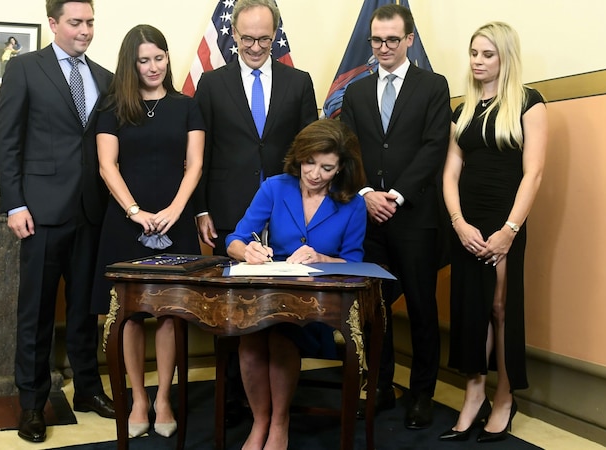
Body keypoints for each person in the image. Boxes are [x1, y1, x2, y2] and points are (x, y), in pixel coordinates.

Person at [192, 0, 318, 427]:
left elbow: (309, 151)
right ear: (233, 35)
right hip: (229, 210)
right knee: (232, 312)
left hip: (286, 214)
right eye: (247, 38)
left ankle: (278, 405)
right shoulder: (211, 84)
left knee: (280, 313)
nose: (255, 46)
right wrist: (202, 209)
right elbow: (200, 154)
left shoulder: (299, 82)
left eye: (264, 38)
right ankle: (233, 399)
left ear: (275, 36)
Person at [0, 0, 115, 443]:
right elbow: (7, 142)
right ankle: (31, 404)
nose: (85, 30)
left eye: (90, 22)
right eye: (76, 22)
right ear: (53, 23)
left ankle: (87, 389)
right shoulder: (24, 68)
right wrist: (14, 205)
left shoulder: (104, 77)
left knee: (85, 309)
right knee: (37, 312)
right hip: (39, 213)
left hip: (90, 211)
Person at [340, 3, 451, 429]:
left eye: (391, 40)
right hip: (368, 217)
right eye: (376, 40)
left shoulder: (432, 86)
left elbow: (433, 147)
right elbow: (347, 148)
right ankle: (381, 386)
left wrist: (398, 195)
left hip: (416, 216)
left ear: (408, 40)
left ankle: (422, 394)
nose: (383, 48)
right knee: (374, 308)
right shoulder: (356, 91)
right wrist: (367, 193)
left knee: (422, 309)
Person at [90, 24, 205, 439]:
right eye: (144, 60)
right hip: (126, 223)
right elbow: (107, 166)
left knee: (171, 314)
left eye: (159, 57)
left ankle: (163, 399)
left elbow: (194, 165)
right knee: (131, 315)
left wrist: (176, 209)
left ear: (167, 58)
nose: (153, 66)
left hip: (176, 220)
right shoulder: (112, 108)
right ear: (131, 64)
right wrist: (134, 210)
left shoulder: (187, 106)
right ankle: (138, 396)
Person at [225, 119, 367, 450]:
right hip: (269, 297)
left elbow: (357, 264)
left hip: (320, 308)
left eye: (327, 167)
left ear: (341, 168)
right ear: (298, 157)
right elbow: (234, 238)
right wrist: (247, 250)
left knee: (280, 336)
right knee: (249, 341)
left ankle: (279, 423)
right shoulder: (276, 187)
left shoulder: (352, 203)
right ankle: (260, 423)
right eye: (309, 162)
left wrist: (321, 258)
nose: (315, 174)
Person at [439, 22, 547, 443]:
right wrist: (458, 222)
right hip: (467, 223)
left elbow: (533, 173)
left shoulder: (528, 102)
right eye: (473, 53)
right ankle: (473, 393)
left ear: (505, 57)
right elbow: (450, 172)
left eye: (487, 54)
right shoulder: (462, 109)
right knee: (470, 307)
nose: (478, 61)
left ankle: (504, 396)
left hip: (506, 220)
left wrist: (509, 230)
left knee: (499, 307)